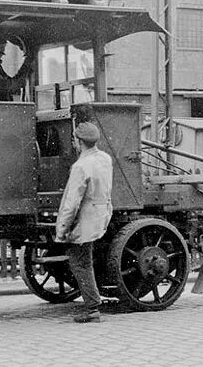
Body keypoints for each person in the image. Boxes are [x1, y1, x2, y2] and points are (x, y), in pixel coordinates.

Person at [55, 122, 113, 323]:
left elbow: (71, 203)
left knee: (80, 263)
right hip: (101, 214)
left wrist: (61, 229)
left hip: (84, 220)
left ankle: (92, 309)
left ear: (79, 142)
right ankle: (92, 305)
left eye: (75, 140)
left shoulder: (80, 166)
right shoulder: (105, 159)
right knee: (85, 261)